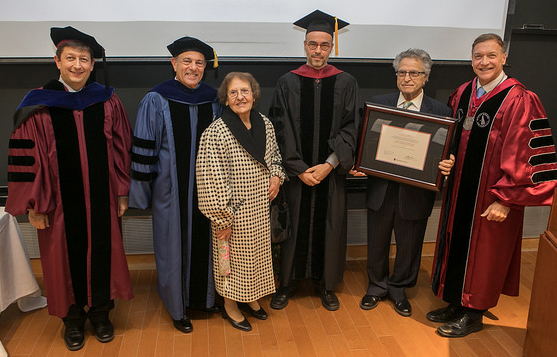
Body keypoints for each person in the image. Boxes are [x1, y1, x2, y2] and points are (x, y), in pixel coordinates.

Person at [5, 26, 133, 351]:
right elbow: (27, 160)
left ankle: (102, 314)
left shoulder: (107, 100)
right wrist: (35, 205)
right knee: (62, 260)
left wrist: (121, 192)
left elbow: (121, 149)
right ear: (57, 61)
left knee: (105, 255)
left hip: (102, 201)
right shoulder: (38, 105)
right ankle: (73, 320)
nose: (78, 65)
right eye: (71, 58)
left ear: (92, 64)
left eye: (84, 59)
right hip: (58, 205)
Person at [428, 33, 557, 337]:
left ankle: (474, 313)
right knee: (456, 240)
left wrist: (506, 199)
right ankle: (456, 302)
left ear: (504, 58)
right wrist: (444, 160)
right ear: (471, 59)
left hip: (493, 196)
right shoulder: (461, 93)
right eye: (477, 56)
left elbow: (526, 154)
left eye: (491, 56)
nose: (484, 62)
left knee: (485, 253)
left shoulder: (519, 99)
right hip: (460, 192)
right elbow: (450, 139)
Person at [268, 9, 360, 311]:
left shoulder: (346, 82)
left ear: (331, 47)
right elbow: (278, 129)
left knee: (329, 229)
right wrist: (299, 168)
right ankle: (287, 283)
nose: (318, 50)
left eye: (324, 45)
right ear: (304, 45)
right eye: (312, 44)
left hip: (330, 175)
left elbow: (351, 128)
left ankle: (325, 284)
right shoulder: (286, 82)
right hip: (298, 176)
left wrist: (330, 164)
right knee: (293, 225)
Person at [129, 36, 221, 334]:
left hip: (209, 190)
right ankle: (177, 307)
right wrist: (141, 193)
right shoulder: (157, 99)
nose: (193, 68)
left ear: (205, 67)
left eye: (199, 63)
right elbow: (144, 148)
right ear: (174, 64)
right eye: (187, 61)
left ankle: (207, 299)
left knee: (209, 242)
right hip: (170, 190)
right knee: (172, 246)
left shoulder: (214, 99)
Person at [354, 49, 453, 317]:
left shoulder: (441, 110)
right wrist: (361, 162)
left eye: (414, 73)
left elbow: (445, 150)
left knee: (410, 244)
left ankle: (399, 288)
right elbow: (368, 142)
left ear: (425, 77)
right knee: (377, 241)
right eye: (402, 72)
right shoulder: (379, 103)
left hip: (416, 192)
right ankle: (376, 286)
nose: (407, 78)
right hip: (381, 189)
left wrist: (447, 163)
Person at [197, 72, 285, 332]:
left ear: (254, 95)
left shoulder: (265, 124)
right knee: (231, 263)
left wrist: (277, 177)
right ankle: (231, 305)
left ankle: (252, 298)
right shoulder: (216, 132)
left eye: (245, 91)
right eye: (233, 93)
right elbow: (209, 179)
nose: (240, 97)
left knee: (255, 258)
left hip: (259, 209)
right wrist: (221, 218)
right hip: (231, 213)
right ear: (225, 99)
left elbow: (275, 157)